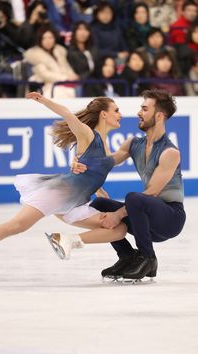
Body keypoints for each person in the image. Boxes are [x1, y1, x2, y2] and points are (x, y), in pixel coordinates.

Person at [0, 92, 128, 271]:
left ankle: (69, 240)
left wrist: (99, 190)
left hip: (77, 203)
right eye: (116, 110)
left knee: (118, 229)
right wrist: (43, 100)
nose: (120, 115)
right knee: (16, 226)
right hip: (58, 193)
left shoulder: (105, 146)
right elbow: (67, 114)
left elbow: (91, 170)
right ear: (104, 114)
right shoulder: (88, 134)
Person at [50, 89, 186, 281]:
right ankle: (127, 256)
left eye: (144, 109)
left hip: (170, 219)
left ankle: (148, 258)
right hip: (146, 214)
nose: (139, 112)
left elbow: (153, 192)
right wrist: (79, 161)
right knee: (100, 204)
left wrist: (119, 214)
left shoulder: (170, 152)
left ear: (159, 116)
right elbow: (104, 162)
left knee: (134, 198)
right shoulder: (134, 144)